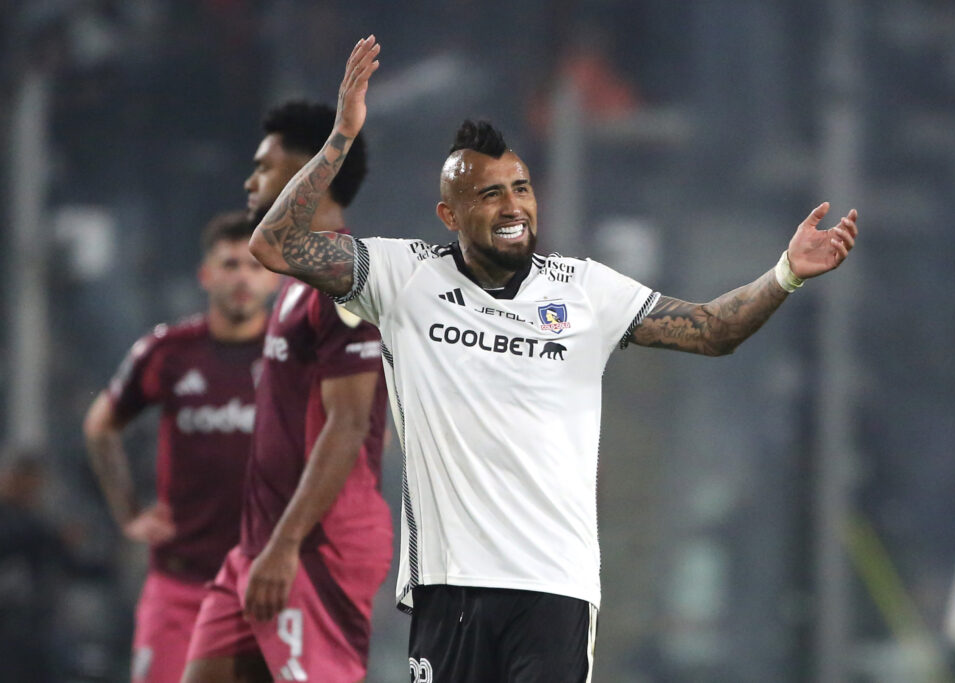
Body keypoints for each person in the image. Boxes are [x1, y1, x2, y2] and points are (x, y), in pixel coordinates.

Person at [249, 35, 859, 683]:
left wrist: (787, 272)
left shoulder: (584, 289)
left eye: (521, 188)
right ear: (448, 214)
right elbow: (275, 244)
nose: (513, 206)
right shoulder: (404, 275)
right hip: (449, 587)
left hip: (553, 588)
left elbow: (711, 329)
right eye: (490, 195)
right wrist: (341, 136)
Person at [183, 101, 391, 683]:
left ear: (309, 177)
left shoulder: (345, 282)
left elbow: (348, 424)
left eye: (264, 168)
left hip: (315, 549)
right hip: (261, 545)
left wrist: (287, 544)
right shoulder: (294, 285)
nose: (250, 182)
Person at [82, 211, 279, 683]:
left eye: (253, 266)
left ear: (272, 279)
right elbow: (100, 426)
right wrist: (129, 512)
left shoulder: (293, 355)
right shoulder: (168, 351)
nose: (242, 278)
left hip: (270, 585)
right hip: (182, 582)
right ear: (206, 275)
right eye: (230, 265)